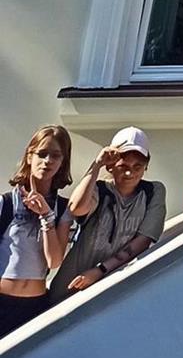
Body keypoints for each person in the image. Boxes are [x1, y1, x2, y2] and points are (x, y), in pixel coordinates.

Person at [49, 127, 166, 302]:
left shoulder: (153, 192)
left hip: (112, 288)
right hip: (70, 289)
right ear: (111, 166)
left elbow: (143, 241)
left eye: (137, 166)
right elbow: (76, 208)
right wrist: (97, 164)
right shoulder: (99, 190)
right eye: (123, 166)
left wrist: (100, 270)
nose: (130, 173)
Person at [0, 126, 72, 340]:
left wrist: (46, 216)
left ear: (62, 162)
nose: (47, 161)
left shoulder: (62, 208)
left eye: (55, 155)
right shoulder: (6, 203)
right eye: (42, 154)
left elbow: (54, 261)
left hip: (34, 306)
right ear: (29, 156)